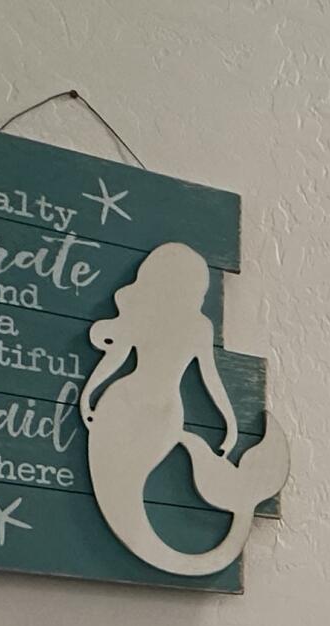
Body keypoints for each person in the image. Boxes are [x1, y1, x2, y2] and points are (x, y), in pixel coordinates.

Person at [79, 241, 291, 575]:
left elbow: (209, 379)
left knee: (126, 489)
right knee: (118, 486)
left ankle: (222, 498)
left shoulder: (191, 325)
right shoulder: (176, 322)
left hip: (135, 405)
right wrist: (88, 394)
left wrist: (230, 422)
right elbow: (118, 360)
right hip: (138, 408)